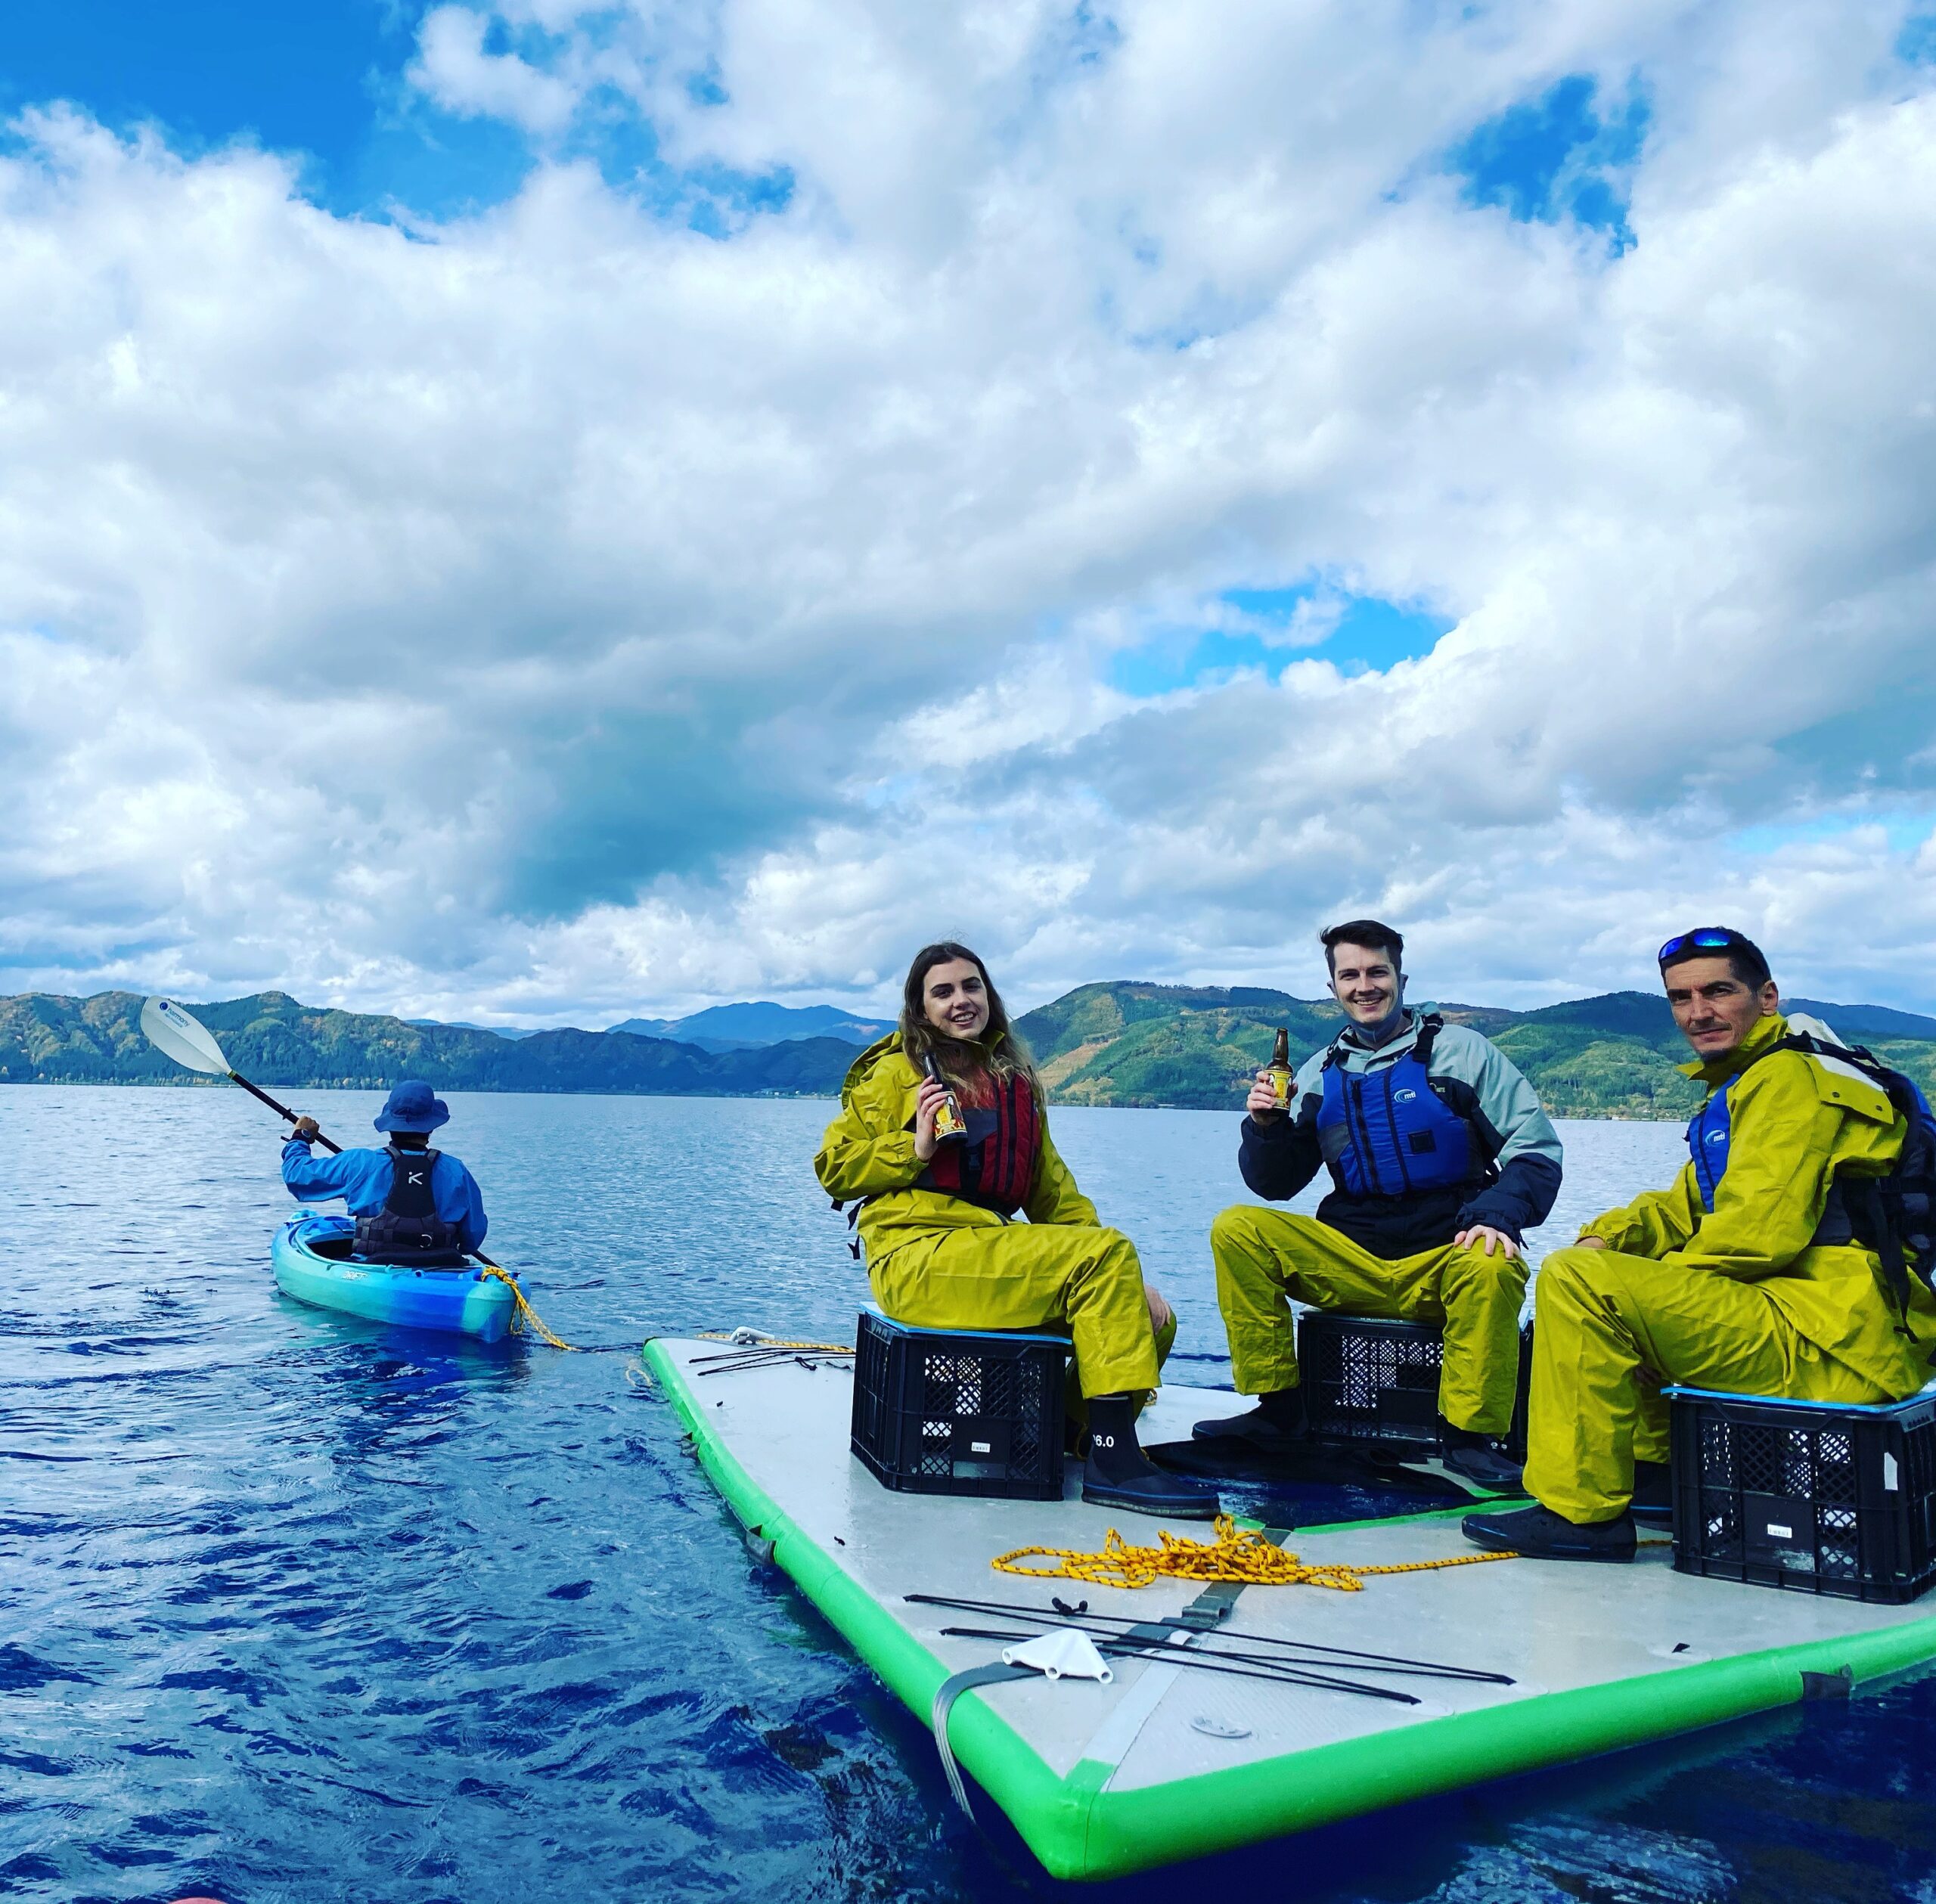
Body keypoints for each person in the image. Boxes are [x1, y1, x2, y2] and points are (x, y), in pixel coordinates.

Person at [1465, 927, 1936, 1561]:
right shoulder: (1748, 1084)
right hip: (1823, 1323)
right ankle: (1654, 1478)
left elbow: (1754, 1237)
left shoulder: (1788, 1082)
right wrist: (1608, 1236)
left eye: (1719, 991)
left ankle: (1582, 1515)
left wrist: (1618, 1279)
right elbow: (1685, 1206)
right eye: (1681, 998)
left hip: (1834, 1337)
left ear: (1766, 997)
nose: (1698, 1012)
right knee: (1609, 1269)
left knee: (1583, 1286)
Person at [815, 941, 1216, 1518]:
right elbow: (833, 1168)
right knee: (1106, 1262)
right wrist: (915, 1145)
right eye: (943, 991)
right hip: (915, 1253)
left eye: (971, 986)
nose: (961, 1001)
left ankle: (1071, 1440)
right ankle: (1117, 1465)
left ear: (989, 995)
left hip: (987, 1250)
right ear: (919, 1007)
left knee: (1155, 1319)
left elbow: (1056, 1197)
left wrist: (1126, 1281)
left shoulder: (1015, 1082)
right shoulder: (892, 1075)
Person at [1194, 919, 1562, 1488]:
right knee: (1237, 1228)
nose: (1364, 986)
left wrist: (1499, 1212)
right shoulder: (1317, 1073)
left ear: (1400, 977)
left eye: (1377, 972)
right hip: (1355, 1258)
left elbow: (1535, 1151)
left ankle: (1469, 1436)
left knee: (1495, 1259)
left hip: (1444, 1256)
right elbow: (1277, 1185)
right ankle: (1279, 1411)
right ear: (1333, 987)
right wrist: (1265, 1127)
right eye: (1350, 975)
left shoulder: (1463, 1053)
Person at [281, 1080, 488, 1265]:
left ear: (389, 1123)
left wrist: (302, 1136)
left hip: (374, 1268)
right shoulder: (456, 1171)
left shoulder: (360, 1163)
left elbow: (297, 1176)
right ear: (432, 1127)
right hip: (441, 1269)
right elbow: (472, 1239)